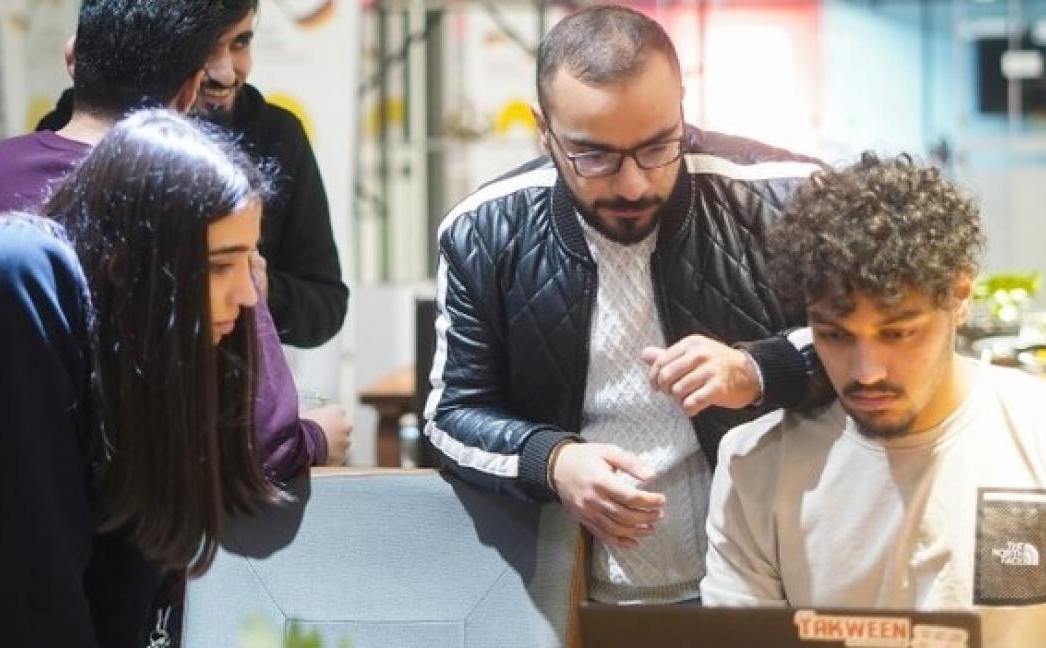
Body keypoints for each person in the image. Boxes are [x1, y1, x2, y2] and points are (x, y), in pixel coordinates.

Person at [424, 4, 830, 605]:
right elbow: (453, 414)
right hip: (574, 594)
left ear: (683, 106)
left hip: (771, 583)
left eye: (657, 146)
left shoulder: (785, 198)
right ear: (545, 130)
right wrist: (553, 461)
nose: (633, 184)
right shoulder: (485, 232)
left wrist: (756, 370)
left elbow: (874, 350)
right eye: (594, 156)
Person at [0, 0, 350, 476]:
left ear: (73, 57)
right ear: (189, 91)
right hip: (128, 520)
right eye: (222, 265)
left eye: (242, 42)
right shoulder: (181, 209)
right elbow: (268, 444)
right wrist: (315, 436)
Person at [0, 110, 280, 647]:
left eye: (249, 264)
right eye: (219, 265)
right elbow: (15, 601)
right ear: (130, 259)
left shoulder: (131, 351)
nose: (246, 295)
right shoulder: (12, 276)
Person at [700, 153, 1046, 647]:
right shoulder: (755, 467)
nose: (867, 372)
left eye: (899, 332)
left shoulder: (1036, 432)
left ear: (961, 294)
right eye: (835, 335)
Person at [36, 0, 348, 348]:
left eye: (240, 43)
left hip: (228, 392)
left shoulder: (278, 134)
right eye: (206, 48)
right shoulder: (79, 131)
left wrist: (259, 286)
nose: (226, 72)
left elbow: (326, 306)